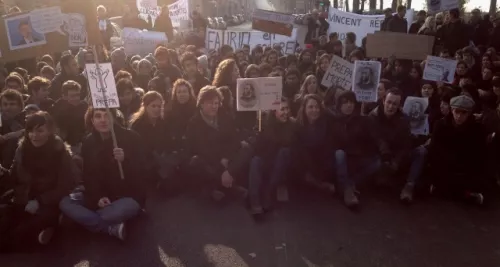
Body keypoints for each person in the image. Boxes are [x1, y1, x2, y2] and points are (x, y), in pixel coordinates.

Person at [59, 108, 146, 241]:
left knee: (108, 215)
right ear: (92, 121)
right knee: (66, 202)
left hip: (128, 196)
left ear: (114, 117)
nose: (103, 120)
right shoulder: (88, 142)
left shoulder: (131, 137)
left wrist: (126, 160)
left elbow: (143, 172)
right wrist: (97, 198)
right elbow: (88, 176)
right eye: (98, 116)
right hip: (101, 196)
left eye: (107, 115)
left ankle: (84, 219)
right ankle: (110, 228)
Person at [0, 112, 77, 251]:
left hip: (47, 203)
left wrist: (40, 200)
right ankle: (40, 236)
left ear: (49, 131)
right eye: (30, 131)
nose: (34, 135)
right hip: (22, 199)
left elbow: (64, 186)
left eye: (40, 131)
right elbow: (13, 177)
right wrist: (2, 173)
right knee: (4, 219)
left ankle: (46, 231)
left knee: (20, 232)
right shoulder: (22, 149)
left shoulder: (60, 152)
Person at [186, 86, 251, 202]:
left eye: (216, 103)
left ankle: (223, 182)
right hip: (210, 161)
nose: (214, 106)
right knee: (196, 161)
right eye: (210, 103)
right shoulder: (194, 123)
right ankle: (228, 188)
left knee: (245, 148)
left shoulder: (223, 116)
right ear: (201, 104)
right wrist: (220, 160)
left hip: (226, 159)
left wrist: (226, 158)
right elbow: (200, 148)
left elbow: (234, 138)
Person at [428, 95, 491, 204]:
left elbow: (480, 153)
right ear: (452, 110)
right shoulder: (441, 125)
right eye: (457, 112)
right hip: (446, 165)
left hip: (466, 167)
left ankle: (450, 191)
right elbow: (435, 148)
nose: (459, 116)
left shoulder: (478, 129)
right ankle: (466, 195)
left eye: (463, 113)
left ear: (469, 113)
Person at [369, 89, 426, 202]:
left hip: (397, 155)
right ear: (383, 100)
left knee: (421, 151)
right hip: (380, 154)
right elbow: (377, 139)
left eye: (395, 104)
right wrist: (387, 158)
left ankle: (409, 186)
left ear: (399, 105)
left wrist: (396, 161)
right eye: (389, 102)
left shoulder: (404, 119)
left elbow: (406, 144)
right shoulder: (373, 116)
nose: (391, 106)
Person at [333, 91, 381, 207]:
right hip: (342, 160)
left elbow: (372, 139)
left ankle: (348, 184)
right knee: (339, 154)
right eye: (345, 102)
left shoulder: (363, 120)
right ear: (339, 105)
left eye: (351, 102)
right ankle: (347, 189)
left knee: (377, 162)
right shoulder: (334, 121)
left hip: (358, 157)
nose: (349, 105)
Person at [248, 97, 295, 215]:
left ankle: (268, 193)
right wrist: (258, 133)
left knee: (284, 152)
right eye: (282, 109)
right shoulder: (265, 124)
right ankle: (255, 200)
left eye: (287, 109)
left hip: (280, 166)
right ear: (274, 112)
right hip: (266, 160)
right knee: (255, 161)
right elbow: (257, 148)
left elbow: (287, 142)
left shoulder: (292, 125)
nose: (285, 112)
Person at [294, 94, 335, 193]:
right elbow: (298, 151)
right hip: (304, 164)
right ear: (304, 109)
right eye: (310, 107)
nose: (314, 110)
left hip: (321, 161)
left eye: (317, 107)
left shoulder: (326, 123)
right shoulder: (297, 126)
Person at [50, 81, 88, 148]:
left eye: (78, 95)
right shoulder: (56, 109)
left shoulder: (84, 106)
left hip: (83, 142)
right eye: (73, 96)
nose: (77, 98)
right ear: (64, 96)